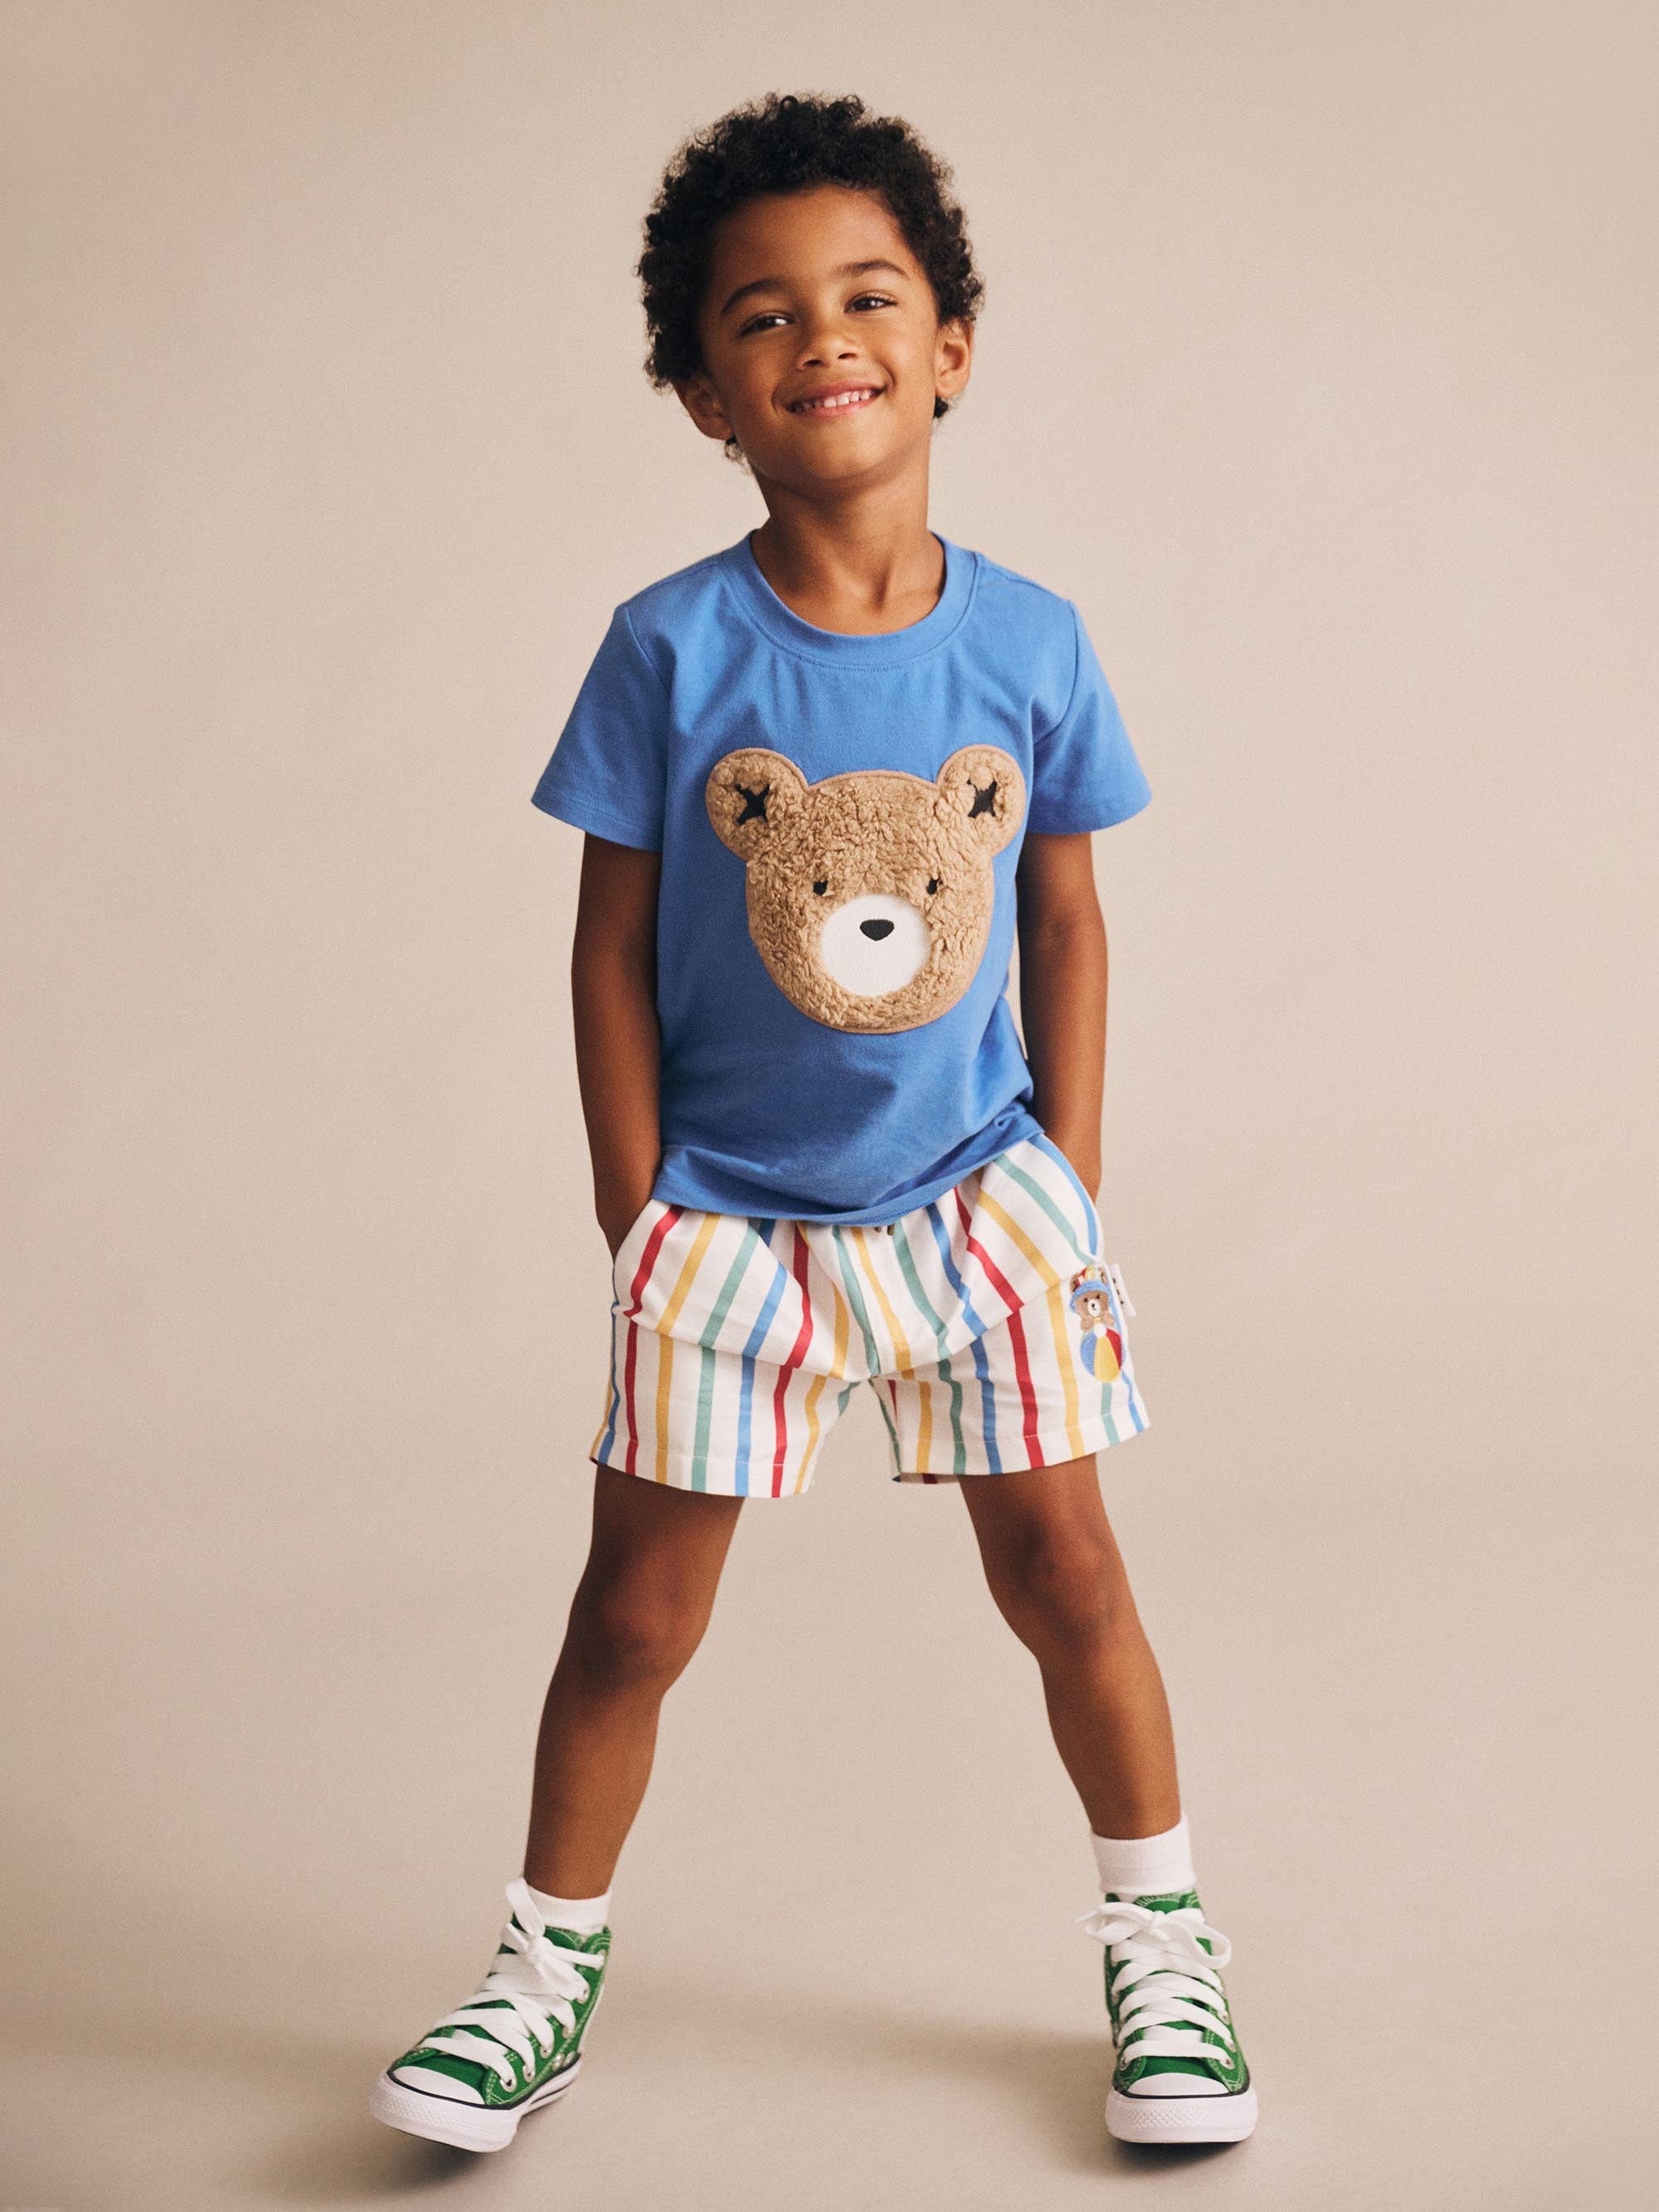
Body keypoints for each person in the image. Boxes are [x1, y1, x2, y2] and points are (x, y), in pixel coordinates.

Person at [370, 89, 1256, 2159]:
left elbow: (1064, 915)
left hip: (976, 1209)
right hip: (729, 1227)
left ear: (950, 345)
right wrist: (639, 1210)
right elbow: (606, 946)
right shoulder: (667, 650)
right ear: (704, 394)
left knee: (1068, 1574)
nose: (820, 337)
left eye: (866, 297)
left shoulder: (1030, 641)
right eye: (759, 316)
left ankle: (1166, 1942)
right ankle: (537, 1971)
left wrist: (1067, 1185)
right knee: (633, 1615)